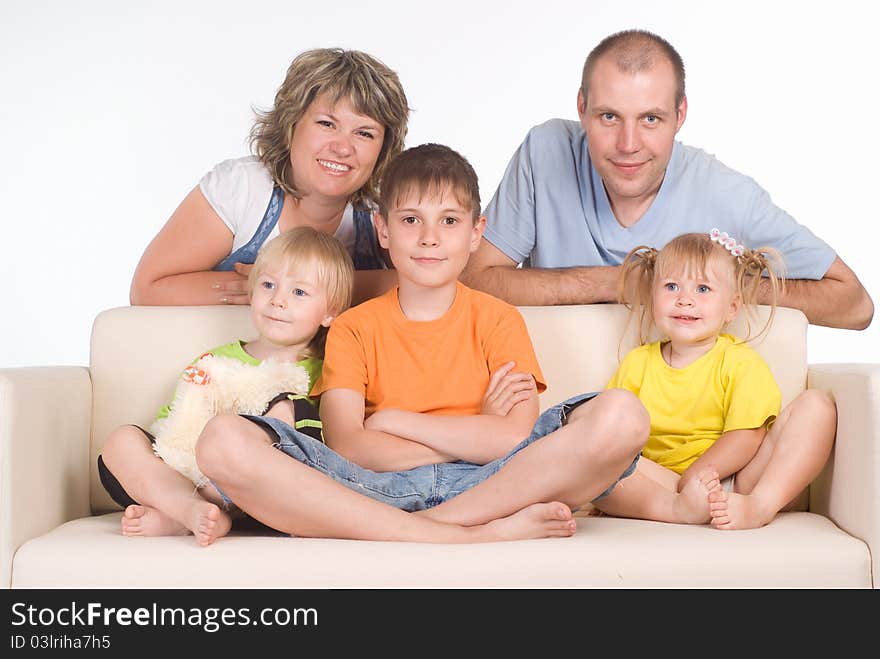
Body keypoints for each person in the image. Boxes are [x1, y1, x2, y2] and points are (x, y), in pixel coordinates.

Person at [191, 143, 647, 544]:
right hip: (371, 487)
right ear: (383, 230)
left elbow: (513, 438)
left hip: (496, 483)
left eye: (449, 220)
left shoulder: (498, 319)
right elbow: (349, 446)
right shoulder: (353, 327)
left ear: (475, 233)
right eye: (411, 220)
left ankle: (430, 526)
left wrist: (395, 420)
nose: (430, 237)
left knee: (622, 415)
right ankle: (465, 533)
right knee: (223, 440)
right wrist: (475, 434)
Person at [461, 29, 873, 331]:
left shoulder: (726, 193)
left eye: (650, 119)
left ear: (681, 115)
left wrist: (714, 286)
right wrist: (620, 281)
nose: (628, 144)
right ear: (582, 108)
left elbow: (855, 306)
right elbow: (472, 280)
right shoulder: (545, 151)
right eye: (609, 117)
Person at [98, 227, 354, 545]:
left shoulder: (326, 371)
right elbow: (177, 422)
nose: (278, 301)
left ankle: (198, 511)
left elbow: (319, 444)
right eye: (268, 285)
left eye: (299, 293)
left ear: (331, 312)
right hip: (180, 473)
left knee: (286, 413)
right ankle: (187, 509)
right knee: (121, 441)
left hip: (251, 492)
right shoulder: (216, 359)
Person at [591, 230, 836, 529]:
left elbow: (747, 437)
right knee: (594, 459)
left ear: (732, 307)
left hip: (733, 482)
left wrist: (699, 476)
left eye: (703, 289)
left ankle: (760, 506)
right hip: (661, 486)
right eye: (671, 286)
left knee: (817, 407)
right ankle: (677, 508)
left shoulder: (738, 362)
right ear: (651, 297)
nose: (684, 300)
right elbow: (607, 431)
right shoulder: (637, 363)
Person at [130, 48, 409, 308]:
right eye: (326, 124)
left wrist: (300, 283)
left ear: (383, 148)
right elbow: (147, 289)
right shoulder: (243, 188)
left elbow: (441, 284)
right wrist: (257, 285)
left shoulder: (385, 205)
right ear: (291, 125)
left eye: (364, 133)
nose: (343, 148)